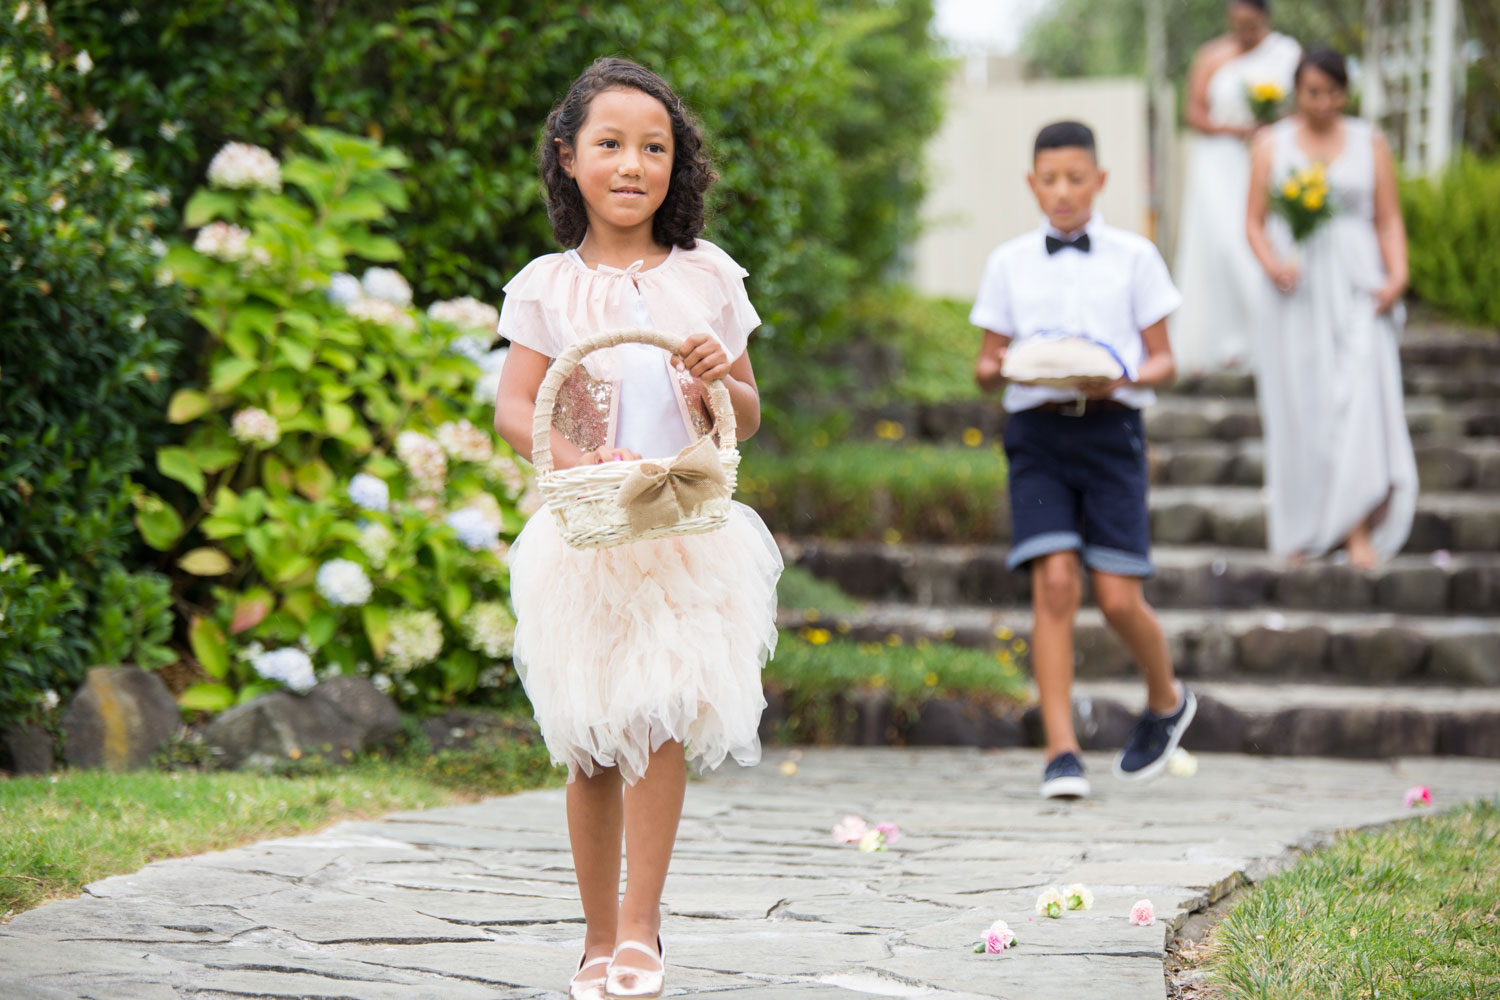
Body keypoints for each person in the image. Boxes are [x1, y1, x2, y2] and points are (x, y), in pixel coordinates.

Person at [492, 57, 781, 1000]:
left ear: (678, 165)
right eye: (610, 144)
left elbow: (748, 410)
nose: (632, 164)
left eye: (654, 147)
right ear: (569, 159)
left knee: (657, 724)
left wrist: (716, 379)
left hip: (685, 535)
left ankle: (640, 934)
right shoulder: (547, 285)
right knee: (589, 742)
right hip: (584, 542)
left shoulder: (708, 275)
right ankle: (591, 935)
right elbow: (517, 407)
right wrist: (576, 468)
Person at [972, 121, 1196, 800]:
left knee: (1121, 596)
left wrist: (1120, 373)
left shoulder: (1134, 257)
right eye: (1050, 179)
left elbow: (1164, 361)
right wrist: (1004, 366)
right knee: (1056, 583)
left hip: (1112, 432)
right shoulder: (1009, 262)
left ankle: (1167, 700)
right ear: (1032, 184)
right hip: (1036, 435)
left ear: (1099, 181)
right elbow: (986, 364)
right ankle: (1061, 750)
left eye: (1076, 178)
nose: (1063, 192)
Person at [1245, 47, 1417, 568]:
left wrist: (1398, 275)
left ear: (1346, 92)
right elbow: (1252, 221)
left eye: (1333, 91)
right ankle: (1307, 525)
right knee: (1304, 405)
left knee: (1362, 399)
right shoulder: (1270, 144)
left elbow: (1387, 219)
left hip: (1359, 287)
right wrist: (1274, 262)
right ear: (1297, 92)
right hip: (1295, 296)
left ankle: (1357, 526)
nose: (1322, 102)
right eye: (1312, 91)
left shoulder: (1371, 142)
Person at [1172, 0, 1301, 374]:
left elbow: (1302, 104)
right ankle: (1221, 341)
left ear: (1265, 18)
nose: (1243, 32)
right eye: (1237, 23)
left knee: (1262, 240)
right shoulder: (1211, 55)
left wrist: (1268, 128)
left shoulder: (1286, 53)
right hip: (1218, 163)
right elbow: (1194, 114)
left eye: (1251, 25)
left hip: (1265, 160)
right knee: (1222, 246)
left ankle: (1264, 338)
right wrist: (1237, 129)